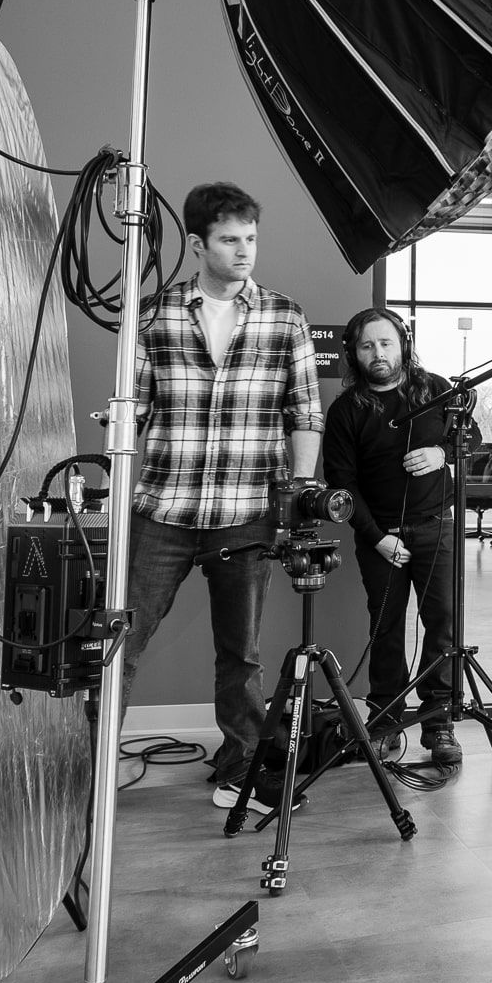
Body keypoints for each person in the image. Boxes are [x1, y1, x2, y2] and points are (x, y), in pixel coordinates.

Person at [122, 182, 324, 816]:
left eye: (251, 239)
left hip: (246, 511)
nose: (244, 251)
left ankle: (240, 771)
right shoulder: (152, 314)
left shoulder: (284, 315)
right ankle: (88, 764)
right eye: (230, 240)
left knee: (242, 654)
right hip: (165, 509)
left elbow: (304, 412)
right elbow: (132, 410)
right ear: (196, 244)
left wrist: (297, 494)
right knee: (119, 638)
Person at [322, 306, 478, 768]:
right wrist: (376, 538)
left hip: (437, 528)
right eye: (367, 345)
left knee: (443, 625)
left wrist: (441, 453)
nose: (378, 353)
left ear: (403, 344)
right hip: (381, 539)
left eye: (386, 343)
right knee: (385, 630)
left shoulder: (437, 391)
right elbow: (342, 483)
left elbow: (471, 438)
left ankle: (438, 723)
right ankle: (386, 719)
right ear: (354, 352)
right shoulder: (347, 410)